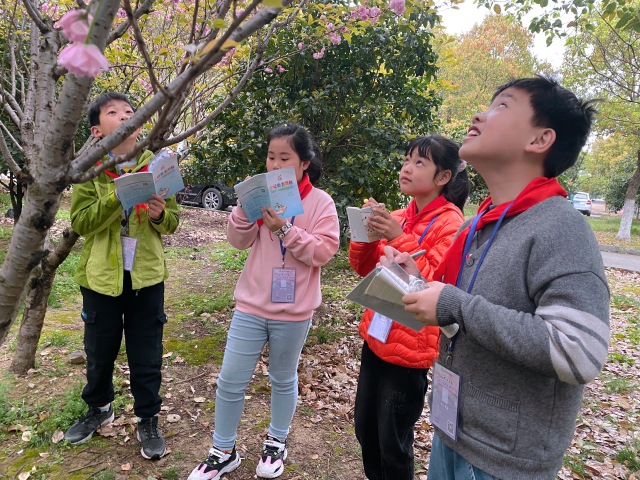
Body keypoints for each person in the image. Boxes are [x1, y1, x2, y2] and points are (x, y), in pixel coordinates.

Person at [384, 76, 610, 480]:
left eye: (502, 106)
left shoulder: (561, 228)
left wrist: (454, 303)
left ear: (540, 140)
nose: (478, 115)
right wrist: (418, 282)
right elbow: (459, 313)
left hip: (505, 462)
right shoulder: (480, 226)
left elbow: (578, 351)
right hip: (452, 436)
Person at [188, 124, 340, 480]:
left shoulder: (320, 203)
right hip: (251, 306)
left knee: (283, 378)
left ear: (304, 163)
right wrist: (244, 209)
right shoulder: (263, 197)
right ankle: (222, 450)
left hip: (294, 311)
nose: (274, 164)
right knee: (230, 380)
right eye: (271, 157)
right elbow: (238, 241)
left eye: (284, 158)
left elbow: (324, 250)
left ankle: (276, 442)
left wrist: (285, 230)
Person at [65, 92, 179, 460]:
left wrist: (161, 214)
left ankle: (148, 418)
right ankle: (99, 409)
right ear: (98, 131)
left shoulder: (157, 165)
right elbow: (81, 222)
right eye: (114, 113)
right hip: (102, 279)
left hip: (146, 277)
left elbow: (173, 223)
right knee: (99, 351)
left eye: (130, 111)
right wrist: (119, 196)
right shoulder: (88, 169)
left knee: (146, 353)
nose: (125, 116)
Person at [349, 135, 469, 480]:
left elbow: (431, 282)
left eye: (420, 162)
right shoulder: (399, 215)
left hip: (410, 348)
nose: (407, 168)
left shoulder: (452, 223)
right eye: (406, 159)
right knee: (365, 429)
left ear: (443, 177)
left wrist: (397, 234)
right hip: (376, 337)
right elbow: (364, 267)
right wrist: (363, 234)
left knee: (393, 440)